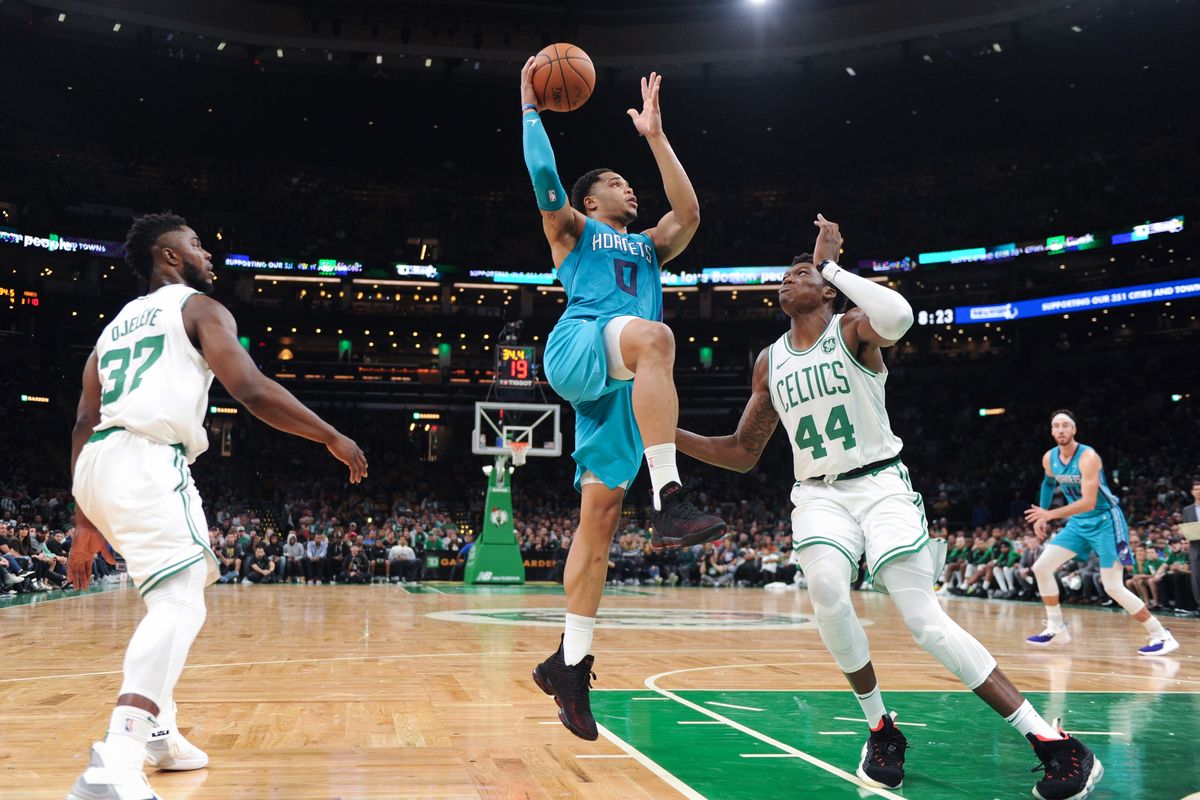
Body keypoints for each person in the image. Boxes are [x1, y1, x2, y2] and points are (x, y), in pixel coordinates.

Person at [675, 215, 1102, 799]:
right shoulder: (769, 361)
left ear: (829, 289)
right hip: (818, 493)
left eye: (801, 273)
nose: (788, 279)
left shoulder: (853, 328)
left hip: (880, 485)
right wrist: (667, 434)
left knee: (924, 622)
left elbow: (899, 317)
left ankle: (1053, 742)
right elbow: (743, 452)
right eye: (786, 275)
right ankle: (881, 728)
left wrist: (830, 266)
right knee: (827, 592)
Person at [66, 212, 367, 800]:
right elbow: (251, 389)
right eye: (196, 244)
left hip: (97, 464)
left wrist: (84, 519)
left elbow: (82, 421)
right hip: (149, 457)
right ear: (169, 256)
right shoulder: (199, 308)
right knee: (180, 602)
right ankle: (118, 757)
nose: (207, 254)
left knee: (164, 597)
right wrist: (331, 435)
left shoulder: (112, 330)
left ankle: (160, 732)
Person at [518, 61, 726, 741]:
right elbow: (544, 179)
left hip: (621, 385)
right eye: (615, 181)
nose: (627, 186)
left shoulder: (649, 247)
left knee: (600, 523)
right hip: (580, 344)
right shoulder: (574, 230)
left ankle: (569, 665)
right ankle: (670, 496)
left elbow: (689, 215)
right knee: (658, 336)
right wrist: (530, 107)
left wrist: (656, 137)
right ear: (590, 197)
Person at [1023, 410, 1179, 656]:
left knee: (1113, 586)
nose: (1061, 429)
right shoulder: (1049, 458)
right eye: (1056, 426)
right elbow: (1048, 482)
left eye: (1066, 425)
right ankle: (1056, 627)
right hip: (1078, 523)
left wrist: (1050, 514)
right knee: (1041, 567)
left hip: (1106, 521)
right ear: (1052, 431)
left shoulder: (1088, 457)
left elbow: (1089, 502)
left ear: (1074, 430)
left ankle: (1161, 635)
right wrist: (1042, 513)